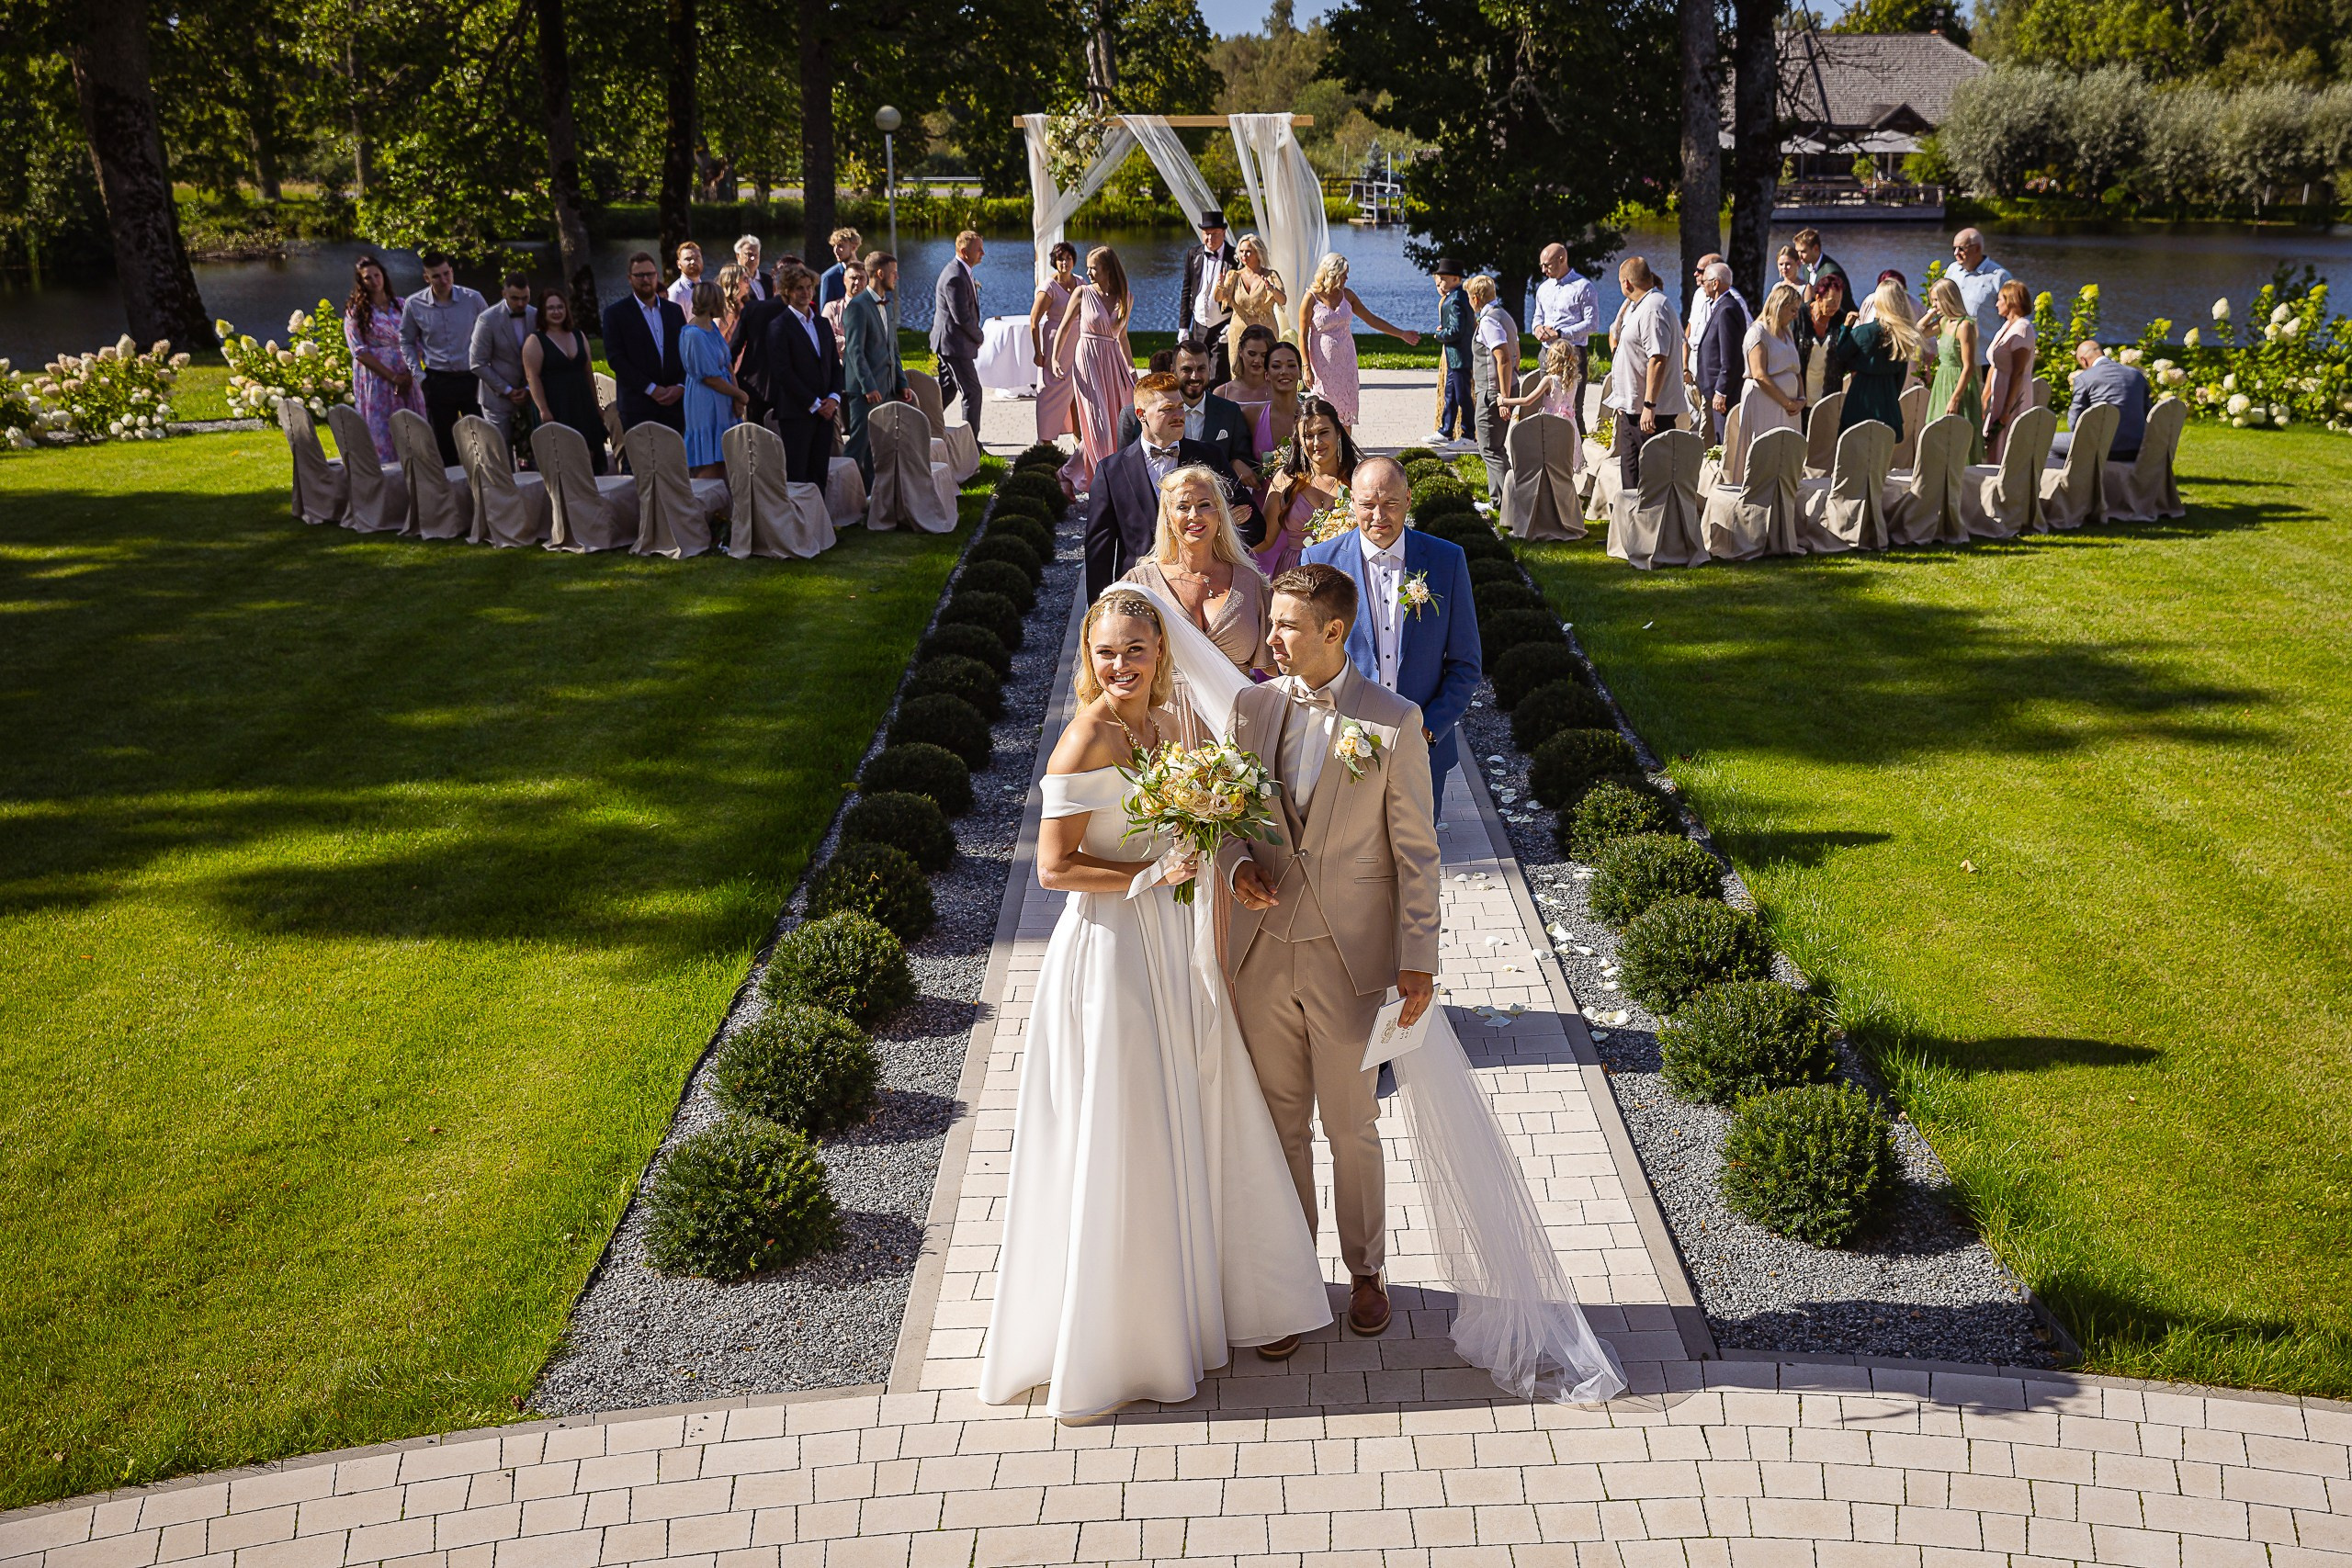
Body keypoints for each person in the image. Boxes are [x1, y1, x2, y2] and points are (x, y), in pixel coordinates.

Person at [977, 588, 1332, 1420]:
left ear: (1160, 654)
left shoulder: (1173, 725)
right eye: (1107, 652)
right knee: (1127, 1122)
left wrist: (1220, 857)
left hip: (1170, 951)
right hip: (1108, 958)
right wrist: (1146, 876)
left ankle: (1199, 1294)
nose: (1121, 665)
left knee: (1186, 1106)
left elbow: (1199, 829)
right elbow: (1055, 870)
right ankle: (1123, 1334)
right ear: (1088, 656)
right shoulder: (1083, 740)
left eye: (1136, 650)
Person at [1221, 558, 1440, 1347]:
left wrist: (1418, 959)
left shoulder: (1393, 719)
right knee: (1281, 1124)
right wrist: (1238, 864)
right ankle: (1288, 1285)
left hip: (1350, 958)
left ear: (1334, 632)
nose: (1270, 637)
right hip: (1262, 952)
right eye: (1272, 621)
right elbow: (1228, 817)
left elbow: (1418, 852)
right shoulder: (1248, 709)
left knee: (1351, 1127)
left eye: (1285, 626)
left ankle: (1368, 1269)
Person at [1300, 454, 1482, 796]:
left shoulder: (1447, 561)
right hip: (1343, 750)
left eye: (1391, 503)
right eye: (1367, 504)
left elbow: (1466, 664)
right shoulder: (1319, 562)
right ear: (1351, 500)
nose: (1379, 516)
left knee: (1419, 851)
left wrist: (1426, 731)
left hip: (1423, 752)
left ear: (1409, 499)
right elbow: (1307, 658)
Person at [1083, 372, 1236, 597]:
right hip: (1138, 592)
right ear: (1141, 415)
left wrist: (1230, 517)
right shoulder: (1111, 471)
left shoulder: (1210, 457)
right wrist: (1099, 608)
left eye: (1180, 407)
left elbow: (1252, 526)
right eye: (1167, 409)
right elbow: (1099, 551)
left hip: (1204, 590)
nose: (1178, 415)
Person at [1122, 464, 1274, 676]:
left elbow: (1278, 666)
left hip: (1239, 707)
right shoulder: (1141, 584)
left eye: (1204, 505)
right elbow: (1116, 660)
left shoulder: (1250, 582)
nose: (1194, 515)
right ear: (1168, 517)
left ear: (1220, 514)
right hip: (1164, 708)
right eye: (1183, 507)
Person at [1300, 251, 1418, 430]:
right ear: (1332, 274)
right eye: (1343, 274)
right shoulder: (1311, 298)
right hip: (1322, 364)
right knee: (1323, 408)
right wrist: (1306, 366)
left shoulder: (1348, 295)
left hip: (1346, 361)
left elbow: (1371, 319)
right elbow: (1302, 334)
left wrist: (1401, 334)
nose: (1347, 277)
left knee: (1346, 409)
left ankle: (1346, 451)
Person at [1055, 244, 1136, 492]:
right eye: (1088, 268)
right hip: (1088, 362)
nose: (1088, 273)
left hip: (1113, 363)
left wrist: (1132, 368)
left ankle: (1067, 473)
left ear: (1108, 270)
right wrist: (1055, 359)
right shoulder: (1082, 293)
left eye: (1094, 268)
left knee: (1113, 425)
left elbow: (1122, 337)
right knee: (1098, 426)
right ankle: (1107, 483)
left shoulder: (1126, 297)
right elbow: (1065, 327)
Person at [1603, 256, 1688, 490]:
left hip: (1650, 414)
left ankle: (1652, 523)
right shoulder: (1640, 306)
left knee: (1651, 478)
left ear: (1627, 284)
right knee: (1630, 475)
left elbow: (1658, 359)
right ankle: (1632, 522)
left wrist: (1650, 406)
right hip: (1633, 409)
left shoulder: (1653, 308)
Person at [399, 250, 491, 464]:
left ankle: (486, 485)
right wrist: (419, 375)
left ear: (451, 271)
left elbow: (490, 333)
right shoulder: (414, 304)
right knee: (444, 444)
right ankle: (451, 489)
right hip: (437, 380)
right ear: (426, 278)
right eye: (436, 276)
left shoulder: (473, 299)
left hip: (472, 378)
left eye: (446, 273)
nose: (443, 280)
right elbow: (406, 341)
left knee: (481, 437)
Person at [1258, 396, 1356, 578]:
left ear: (1339, 433)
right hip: (1296, 571)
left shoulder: (1357, 479)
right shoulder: (1285, 479)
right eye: (1308, 436)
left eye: (1324, 432)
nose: (1317, 443)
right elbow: (1264, 540)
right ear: (1299, 441)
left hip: (1344, 571)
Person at [764, 263, 843, 485]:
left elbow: (834, 366)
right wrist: (815, 404)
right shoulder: (779, 326)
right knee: (798, 474)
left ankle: (820, 519)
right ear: (787, 291)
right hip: (797, 412)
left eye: (809, 287)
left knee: (820, 472)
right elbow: (783, 373)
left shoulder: (822, 324)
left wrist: (834, 399)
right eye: (799, 288)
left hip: (827, 411)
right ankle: (799, 519)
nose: (805, 292)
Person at [343, 253, 422, 463]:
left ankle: (419, 472)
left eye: (377, 275)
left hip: (407, 376)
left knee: (412, 427)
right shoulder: (356, 311)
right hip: (377, 380)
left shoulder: (402, 305)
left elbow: (419, 340)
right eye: (368, 278)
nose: (374, 281)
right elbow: (358, 350)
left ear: (384, 276)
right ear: (361, 281)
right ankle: (387, 476)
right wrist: (392, 377)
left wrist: (408, 374)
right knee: (382, 428)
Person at [603, 250, 688, 434]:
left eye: (650, 274)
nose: (645, 279)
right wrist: (651, 389)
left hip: (675, 405)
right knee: (642, 462)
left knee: (676, 461)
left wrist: (681, 387)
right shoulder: (616, 314)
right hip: (638, 406)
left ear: (656, 275)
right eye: (639, 275)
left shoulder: (674, 311)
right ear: (629, 278)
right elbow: (616, 359)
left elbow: (685, 353)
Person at [522, 287, 605, 473]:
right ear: (543, 312)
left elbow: (588, 373)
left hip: (582, 403)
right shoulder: (535, 341)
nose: (556, 312)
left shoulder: (578, 335)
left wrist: (597, 406)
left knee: (590, 454)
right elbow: (532, 377)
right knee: (566, 461)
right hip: (557, 406)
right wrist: (543, 410)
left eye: (560, 307)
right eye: (551, 308)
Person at [842, 252, 910, 479]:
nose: (897, 277)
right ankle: (841, 495)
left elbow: (894, 349)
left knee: (880, 446)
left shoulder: (888, 306)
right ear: (880, 274)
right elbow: (855, 351)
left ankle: (873, 494)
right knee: (858, 445)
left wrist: (901, 383)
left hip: (888, 387)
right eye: (893, 273)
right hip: (865, 390)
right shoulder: (857, 307)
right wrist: (868, 387)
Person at [1827, 277, 1920, 442]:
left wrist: (1846, 328)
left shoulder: (1863, 332)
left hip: (1860, 396)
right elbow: (1900, 378)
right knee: (1881, 450)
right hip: (1888, 398)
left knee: (1854, 443)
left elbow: (1842, 354)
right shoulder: (1902, 336)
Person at [1733, 282, 1805, 476]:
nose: (1795, 316)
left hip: (1789, 407)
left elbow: (1795, 369)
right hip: (1765, 401)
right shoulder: (1758, 332)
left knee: (1786, 453)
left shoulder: (1786, 332)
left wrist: (1801, 399)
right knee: (1765, 451)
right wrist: (1787, 402)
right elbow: (1759, 374)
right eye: (1792, 310)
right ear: (1780, 305)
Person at [1530, 243, 1597, 434]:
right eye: (1541, 265)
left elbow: (1591, 324)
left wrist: (1560, 333)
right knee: (1547, 405)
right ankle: (1548, 452)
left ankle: (1578, 457)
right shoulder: (1543, 288)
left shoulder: (1583, 287)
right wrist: (1537, 329)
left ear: (1562, 259)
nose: (1543, 270)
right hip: (1547, 353)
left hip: (1572, 354)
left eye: (1547, 265)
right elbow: (1537, 316)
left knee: (1572, 408)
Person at [681, 280, 746, 476]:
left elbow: (727, 363)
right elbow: (709, 378)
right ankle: (705, 501)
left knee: (727, 459)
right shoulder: (693, 335)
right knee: (711, 461)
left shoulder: (712, 327)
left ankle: (726, 503)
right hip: (706, 399)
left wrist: (736, 397)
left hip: (724, 397)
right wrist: (740, 394)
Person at [465, 271, 537, 447]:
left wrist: (529, 388)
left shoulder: (535, 315)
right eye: (515, 298)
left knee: (534, 451)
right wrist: (507, 390)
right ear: (504, 294)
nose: (521, 303)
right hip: (497, 400)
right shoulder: (487, 320)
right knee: (500, 454)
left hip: (530, 397)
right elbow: (477, 363)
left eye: (525, 298)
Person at [1920, 275, 1984, 463]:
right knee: (1937, 431)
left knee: (1957, 435)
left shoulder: (1965, 326)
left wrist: (1955, 398)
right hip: (1942, 379)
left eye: (1936, 301)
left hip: (1959, 382)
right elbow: (1919, 332)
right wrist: (1931, 313)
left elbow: (1969, 366)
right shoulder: (1944, 322)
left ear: (1947, 299)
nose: (1934, 305)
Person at [1467, 275, 1519, 511]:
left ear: (1475, 298)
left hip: (1493, 392)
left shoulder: (1488, 322)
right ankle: (1503, 498)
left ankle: (1507, 502)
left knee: (1489, 447)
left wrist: (1503, 398)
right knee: (1495, 446)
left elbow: (1504, 358)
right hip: (1499, 389)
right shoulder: (1504, 315)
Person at [930, 230, 987, 435]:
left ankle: (921, 427)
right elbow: (961, 317)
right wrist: (979, 336)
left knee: (947, 389)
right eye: (978, 249)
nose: (983, 253)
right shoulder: (955, 276)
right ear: (964, 252)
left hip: (951, 343)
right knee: (973, 392)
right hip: (954, 345)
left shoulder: (962, 271)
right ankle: (972, 446)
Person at [2053, 340, 2150, 462]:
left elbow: (2074, 423)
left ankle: (2066, 477)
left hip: (2102, 446)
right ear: (2102, 353)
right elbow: (2148, 413)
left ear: (2083, 360)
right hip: (2136, 446)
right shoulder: (2136, 375)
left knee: (2047, 442)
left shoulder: (2084, 378)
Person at [1693, 261, 1752, 443]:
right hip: (1713, 388)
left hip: (1723, 392)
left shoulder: (1727, 309)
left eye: (1705, 282)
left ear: (1715, 283)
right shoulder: (1719, 305)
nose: (1702, 285)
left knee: (1724, 438)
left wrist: (1721, 391)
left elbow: (1730, 356)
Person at [1028, 241, 1080, 444]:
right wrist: (1037, 351)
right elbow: (1034, 320)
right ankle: (1046, 440)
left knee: (1077, 393)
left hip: (1077, 344)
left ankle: (1080, 440)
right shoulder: (1049, 287)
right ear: (1054, 262)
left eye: (1068, 258)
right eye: (1060, 259)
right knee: (1050, 391)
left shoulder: (1081, 283)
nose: (1064, 262)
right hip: (1055, 347)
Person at [1179, 211, 1238, 386]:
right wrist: (1183, 327)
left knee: (1219, 373)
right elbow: (1186, 290)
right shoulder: (1193, 254)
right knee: (1198, 370)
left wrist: (1232, 323)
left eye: (1215, 233)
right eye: (1206, 233)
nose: (1210, 238)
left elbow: (1240, 295)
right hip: (1199, 323)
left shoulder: (1234, 258)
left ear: (1224, 233)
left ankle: (1219, 409)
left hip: (1222, 323)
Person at [1983, 278, 2037, 461]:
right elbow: (1995, 364)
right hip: (1999, 388)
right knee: (1991, 439)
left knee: (2007, 437)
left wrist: (2007, 409)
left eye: (2000, 299)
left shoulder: (2022, 329)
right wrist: (1985, 396)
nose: (1997, 304)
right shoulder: (2007, 326)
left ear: (2011, 301)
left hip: (2013, 391)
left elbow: (2018, 372)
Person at [1216, 234, 1287, 367]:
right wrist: (1220, 285)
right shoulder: (1234, 276)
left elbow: (1283, 300)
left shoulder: (1271, 276)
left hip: (1265, 333)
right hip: (1239, 333)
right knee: (1239, 373)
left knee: (1266, 371)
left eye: (1248, 251)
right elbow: (1219, 298)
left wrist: (1272, 289)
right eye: (1241, 251)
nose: (1244, 255)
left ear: (1258, 253)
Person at [729, 262, 785, 429]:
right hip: (787, 388)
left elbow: (734, 349)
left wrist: (731, 386)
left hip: (752, 384)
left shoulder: (752, 308)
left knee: (756, 439)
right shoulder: (799, 312)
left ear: (775, 286)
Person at [1945, 227, 2012, 354]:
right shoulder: (1952, 271)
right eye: (1954, 248)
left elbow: (2013, 317)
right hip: (1955, 355)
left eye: (1961, 248)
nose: (1956, 253)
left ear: (1977, 249)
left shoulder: (1999, 277)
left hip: (1984, 356)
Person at [1426, 260, 1471, 446]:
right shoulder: (1455, 296)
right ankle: (1446, 430)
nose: (1441, 283)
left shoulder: (1456, 299)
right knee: (1451, 394)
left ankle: (1469, 434)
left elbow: (1457, 330)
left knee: (1462, 395)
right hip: (1454, 356)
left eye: (1444, 279)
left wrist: (1439, 334)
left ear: (1455, 278)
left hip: (1460, 355)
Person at [1793, 272, 1850, 407]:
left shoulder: (1840, 319)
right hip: (1800, 392)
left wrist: (1847, 329)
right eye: (1831, 302)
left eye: (1838, 302)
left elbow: (1845, 355)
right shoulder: (1800, 315)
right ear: (1818, 298)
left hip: (1829, 394)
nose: (1835, 306)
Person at [1499, 337, 1584, 425]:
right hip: (1569, 424)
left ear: (1552, 359)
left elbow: (1527, 400)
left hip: (1550, 422)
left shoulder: (1549, 380)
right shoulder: (1573, 380)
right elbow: (1572, 404)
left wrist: (1504, 401)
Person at [1255, 341, 1306, 460]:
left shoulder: (1314, 415)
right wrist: (1236, 462)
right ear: (1266, 374)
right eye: (1276, 366)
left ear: (1300, 373)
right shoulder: (1253, 415)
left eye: (1291, 365)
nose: (1284, 371)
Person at [1683, 251, 1724, 389]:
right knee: (1694, 410)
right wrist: (1684, 366)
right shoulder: (1699, 294)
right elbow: (1690, 329)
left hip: (1712, 371)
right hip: (1692, 366)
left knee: (1708, 411)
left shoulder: (1732, 301)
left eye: (1700, 271)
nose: (1695, 274)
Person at [1212, 323, 1276, 412]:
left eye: (1264, 355)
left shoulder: (1279, 392)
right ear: (1240, 351)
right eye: (1252, 354)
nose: (1257, 360)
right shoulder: (1222, 393)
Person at [1791, 227, 1846, 291]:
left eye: (1803, 252)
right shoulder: (1806, 266)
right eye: (1797, 251)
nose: (1799, 256)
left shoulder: (1831, 272)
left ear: (1816, 248)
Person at [818, 228, 862, 308]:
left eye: (840, 246)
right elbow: (825, 313)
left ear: (854, 247)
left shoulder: (867, 272)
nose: (835, 250)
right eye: (834, 246)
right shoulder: (829, 277)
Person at [823, 259, 864, 344]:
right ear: (844, 280)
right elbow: (826, 338)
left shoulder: (875, 308)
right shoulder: (831, 308)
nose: (857, 282)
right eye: (853, 278)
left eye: (861, 278)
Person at [666, 242, 705, 310]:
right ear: (679, 264)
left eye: (697, 258)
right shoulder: (676, 292)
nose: (693, 262)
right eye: (688, 259)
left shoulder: (707, 289)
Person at [734, 233, 771, 301]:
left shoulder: (768, 280)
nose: (753, 258)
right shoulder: (733, 280)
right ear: (738, 256)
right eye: (749, 254)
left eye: (756, 255)